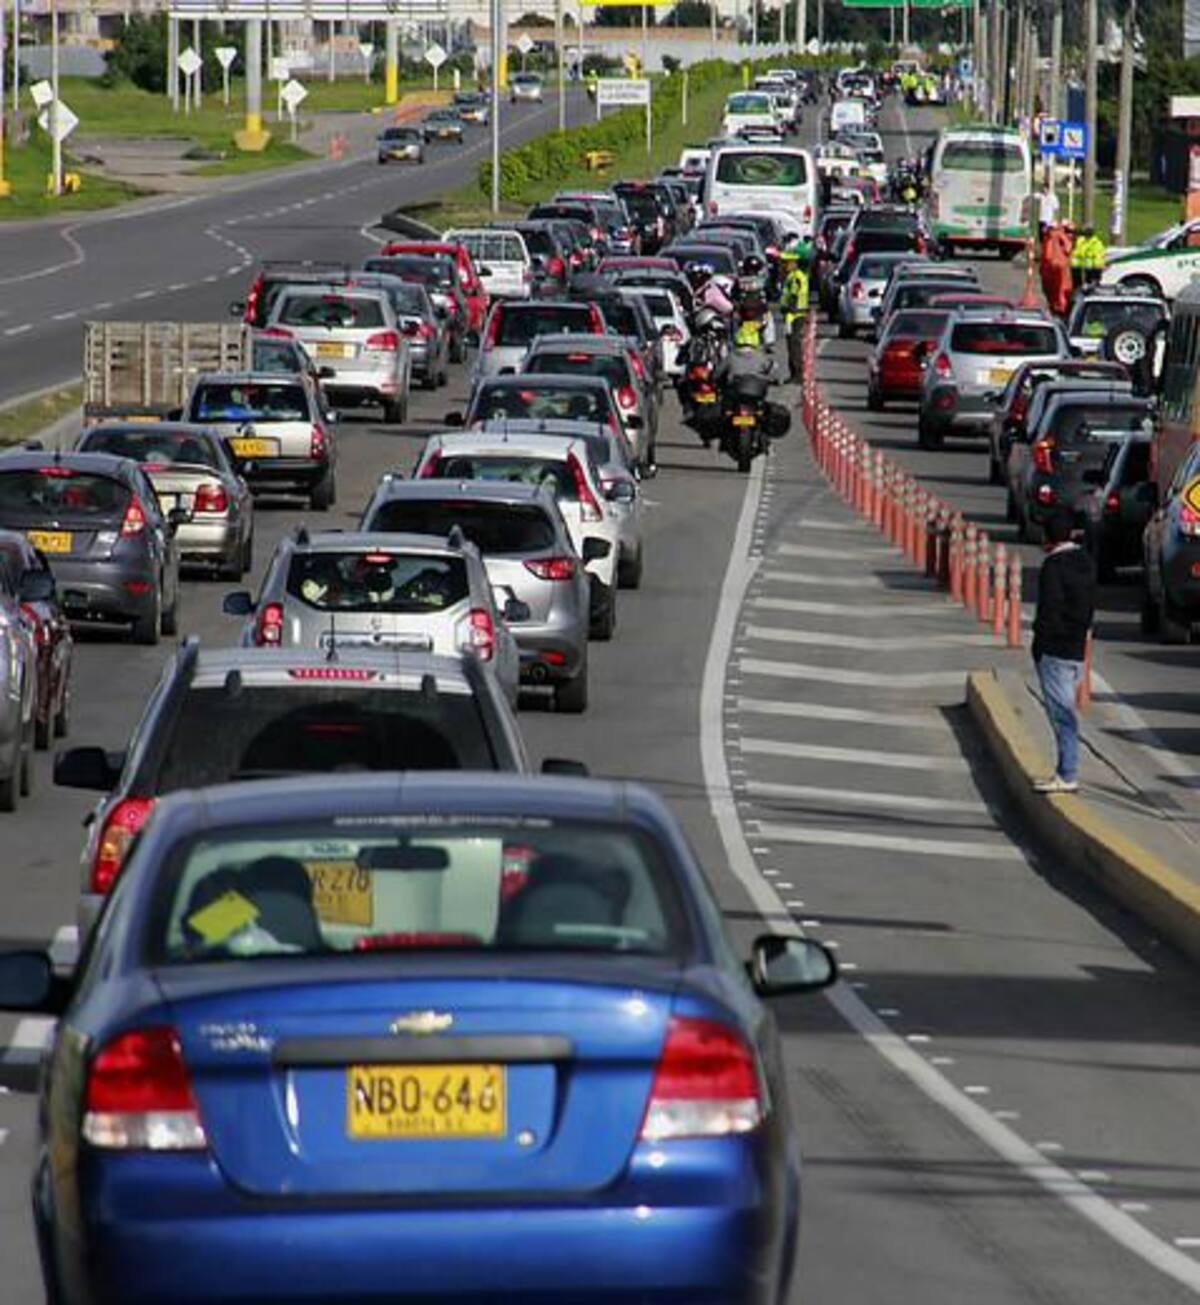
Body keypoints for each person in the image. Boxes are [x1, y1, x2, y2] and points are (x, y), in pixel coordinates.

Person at [1030, 508, 1096, 794]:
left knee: (1062, 716)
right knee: (1066, 711)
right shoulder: (1086, 563)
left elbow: (1050, 609)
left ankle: (1067, 773)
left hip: (1054, 649)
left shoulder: (1053, 567)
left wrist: (1039, 645)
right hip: (1076, 649)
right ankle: (1065, 770)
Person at [779, 245, 810, 383]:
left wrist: (787, 308)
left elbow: (793, 296)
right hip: (794, 314)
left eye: (786, 263)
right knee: (792, 344)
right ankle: (795, 374)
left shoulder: (795, 278)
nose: (784, 265)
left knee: (794, 345)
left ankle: (797, 374)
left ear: (793, 263)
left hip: (795, 315)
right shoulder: (793, 276)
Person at [1040, 222, 1073, 318]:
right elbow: (1068, 248)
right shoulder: (1060, 236)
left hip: (1049, 269)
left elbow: (1047, 255)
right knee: (1061, 290)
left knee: (1052, 292)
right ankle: (1060, 309)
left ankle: (1055, 308)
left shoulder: (1048, 238)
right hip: (1059, 267)